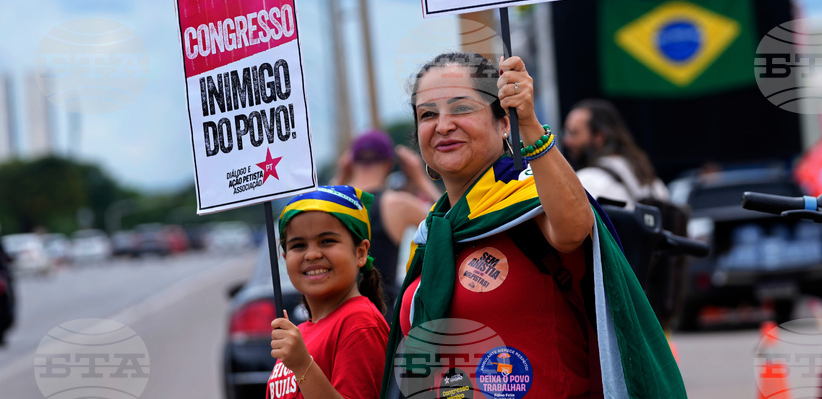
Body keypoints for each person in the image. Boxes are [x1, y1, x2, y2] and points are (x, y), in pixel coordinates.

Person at [379, 52, 686, 399]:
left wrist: (529, 123)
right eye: (428, 114)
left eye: (462, 108)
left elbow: (574, 229)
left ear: (503, 122)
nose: (443, 125)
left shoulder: (531, 201)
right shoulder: (432, 233)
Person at [266, 186, 390, 399]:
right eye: (299, 245)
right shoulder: (299, 333)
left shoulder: (359, 322)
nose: (312, 254)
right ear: (285, 258)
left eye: (326, 241)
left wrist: (302, 365)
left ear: (360, 252)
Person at [332, 130, 441, 311]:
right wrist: (421, 178)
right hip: (382, 313)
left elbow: (320, 205)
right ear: (389, 163)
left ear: (351, 163)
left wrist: (341, 175)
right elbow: (450, 223)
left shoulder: (333, 205)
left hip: (340, 313)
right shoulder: (397, 204)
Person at [562, 99, 669, 207]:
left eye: (574, 133)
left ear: (599, 137)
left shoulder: (586, 180)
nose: (566, 141)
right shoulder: (647, 176)